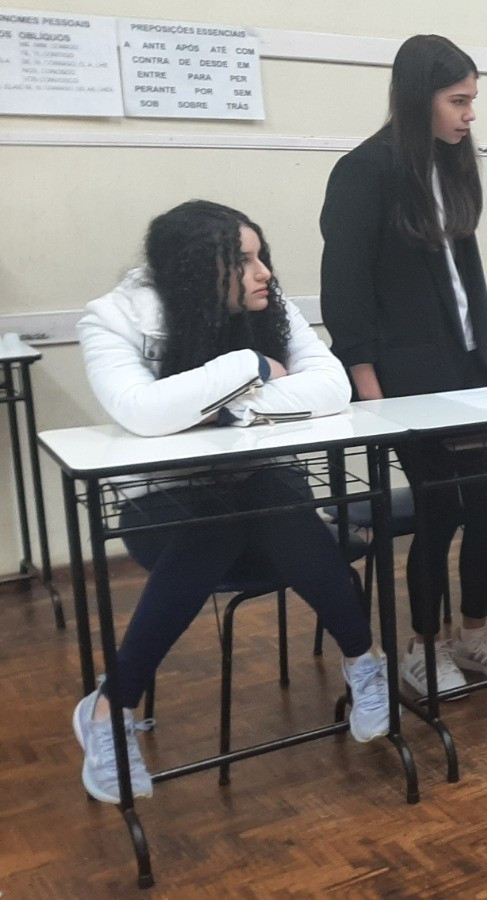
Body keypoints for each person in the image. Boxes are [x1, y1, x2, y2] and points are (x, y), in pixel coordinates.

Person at [73, 200, 389, 804]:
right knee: (228, 519)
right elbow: (141, 412)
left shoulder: (274, 307)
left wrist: (227, 409)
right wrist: (251, 365)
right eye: (243, 261)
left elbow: (333, 387)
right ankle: (362, 655)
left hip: (267, 503)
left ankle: (112, 704)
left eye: (261, 255)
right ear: (195, 269)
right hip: (161, 508)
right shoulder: (114, 318)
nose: (264, 272)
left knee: (261, 503)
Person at [320, 34, 487, 696]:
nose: (470, 114)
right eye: (458, 101)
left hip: (471, 371)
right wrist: (370, 392)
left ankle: (474, 634)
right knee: (439, 512)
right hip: (406, 385)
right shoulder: (364, 172)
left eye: (472, 100)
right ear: (419, 99)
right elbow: (345, 294)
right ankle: (423, 644)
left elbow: (462, 288)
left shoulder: (452, 166)